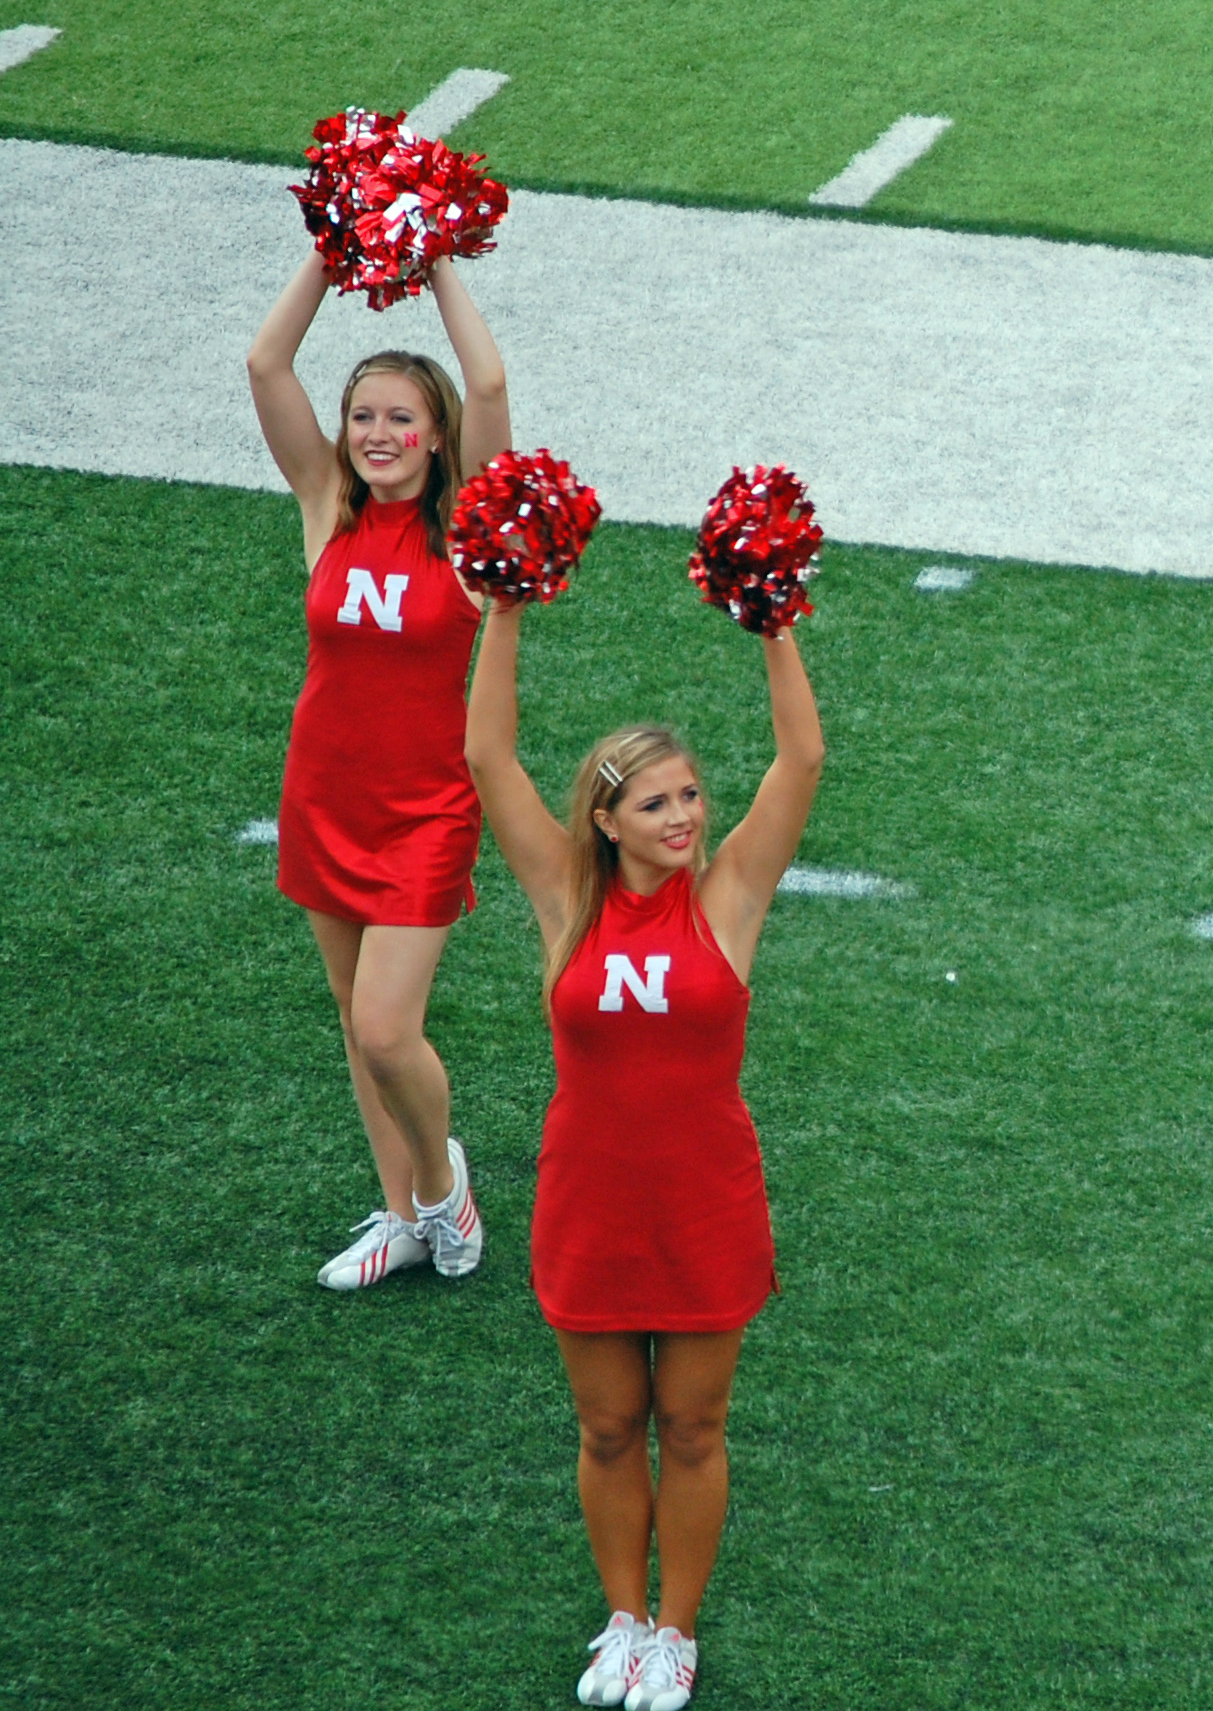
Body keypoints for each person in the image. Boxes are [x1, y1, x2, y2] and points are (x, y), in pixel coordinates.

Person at [464, 597, 824, 1709]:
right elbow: (484, 752)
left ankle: (677, 1631)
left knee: (694, 1423)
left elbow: (802, 756)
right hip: (592, 1200)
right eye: (655, 802)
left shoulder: (729, 898)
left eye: (689, 796)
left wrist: (774, 620)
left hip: (705, 1200)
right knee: (610, 1424)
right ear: (605, 820)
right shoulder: (565, 900)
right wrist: (505, 609)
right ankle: (622, 1619)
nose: (683, 815)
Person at [247, 253, 510, 1290]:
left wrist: (432, 256)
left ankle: (444, 1187)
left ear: (435, 433)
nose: (378, 436)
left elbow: (487, 385)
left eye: (401, 418)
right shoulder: (326, 502)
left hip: (426, 812)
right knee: (354, 1022)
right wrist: (331, 249)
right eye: (363, 416)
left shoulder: (466, 531)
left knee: (385, 1025)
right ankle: (400, 1214)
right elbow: (266, 362)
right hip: (322, 799)